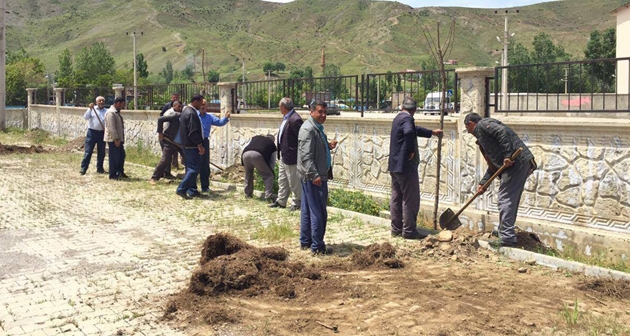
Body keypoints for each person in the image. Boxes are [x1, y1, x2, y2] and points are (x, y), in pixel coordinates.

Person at [464, 113, 536, 247]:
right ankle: (505, 231)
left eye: (467, 128)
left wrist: (508, 155)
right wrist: (483, 183)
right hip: (517, 164)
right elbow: (494, 166)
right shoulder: (483, 139)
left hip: (517, 162)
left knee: (505, 198)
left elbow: (502, 132)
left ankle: (507, 237)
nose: (469, 132)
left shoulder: (483, 125)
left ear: (471, 123)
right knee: (508, 198)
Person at [388, 97, 442, 239]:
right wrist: (410, 150)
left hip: (395, 166)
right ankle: (409, 231)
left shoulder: (398, 118)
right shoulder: (408, 119)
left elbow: (413, 130)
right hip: (405, 166)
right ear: (415, 110)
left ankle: (396, 229)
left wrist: (431, 132)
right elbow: (409, 132)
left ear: (402, 107)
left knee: (396, 197)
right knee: (410, 199)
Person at [298, 100, 337, 255]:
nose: (323, 115)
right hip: (314, 177)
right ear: (312, 112)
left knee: (308, 210)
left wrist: (327, 145)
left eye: (325, 112)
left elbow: (313, 148)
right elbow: (306, 156)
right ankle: (317, 247)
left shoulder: (316, 128)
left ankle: (306, 242)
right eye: (320, 112)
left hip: (314, 175)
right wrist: (314, 175)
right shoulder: (308, 129)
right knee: (318, 212)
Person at [269, 98, 303, 211]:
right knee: (282, 179)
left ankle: (297, 202)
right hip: (284, 155)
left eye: (279, 106)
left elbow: (301, 138)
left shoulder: (295, 119)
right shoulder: (287, 118)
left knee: (294, 181)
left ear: (283, 107)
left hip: (292, 156)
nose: (279, 109)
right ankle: (281, 201)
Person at [198, 98, 230, 196]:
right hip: (194, 141)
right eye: (201, 104)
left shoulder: (209, 117)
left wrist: (226, 118)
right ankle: (191, 186)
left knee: (204, 164)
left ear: (207, 107)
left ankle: (205, 186)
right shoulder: (194, 115)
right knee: (193, 164)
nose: (203, 106)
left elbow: (220, 123)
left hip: (204, 141)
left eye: (205, 104)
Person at [176, 94, 205, 199]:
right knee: (194, 169)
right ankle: (182, 189)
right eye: (201, 103)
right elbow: (193, 132)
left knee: (190, 168)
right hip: (191, 145)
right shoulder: (191, 113)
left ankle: (192, 190)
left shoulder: (186, 111)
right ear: (196, 101)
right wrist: (200, 145)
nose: (202, 105)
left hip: (186, 145)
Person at [150, 101, 184, 184]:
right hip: (169, 140)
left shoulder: (186, 116)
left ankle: (191, 176)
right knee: (165, 159)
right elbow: (160, 119)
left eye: (181, 107)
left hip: (180, 143)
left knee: (188, 157)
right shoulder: (174, 115)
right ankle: (154, 177)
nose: (180, 108)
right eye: (179, 106)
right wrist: (160, 132)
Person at [242, 135, 277, 200]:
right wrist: (270, 171)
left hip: (245, 153)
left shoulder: (256, 138)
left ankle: (247, 194)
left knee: (248, 174)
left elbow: (247, 146)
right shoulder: (272, 144)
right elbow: (272, 162)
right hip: (258, 155)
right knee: (269, 175)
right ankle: (268, 195)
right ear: (273, 140)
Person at [80, 96, 107, 175]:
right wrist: (90, 109)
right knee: (88, 151)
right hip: (92, 133)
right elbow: (85, 117)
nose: (101, 102)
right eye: (99, 101)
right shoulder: (92, 109)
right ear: (96, 102)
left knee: (101, 152)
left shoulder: (107, 111)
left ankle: (100, 168)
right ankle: (83, 168)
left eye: (102, 101)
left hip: (102, 133)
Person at [104, 97, 127, 180]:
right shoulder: (111, 113)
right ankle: (113, 174)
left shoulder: (116, 112)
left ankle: (120, 171)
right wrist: (116, 139)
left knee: (121, 155)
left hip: (119, 139)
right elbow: (111, 127)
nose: (122, 107)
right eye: (122, 105)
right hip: (113, 139)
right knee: (114, 157)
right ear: (118, 103)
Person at [161, 92, 181, 172]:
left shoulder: (178, 110)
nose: (175, 98)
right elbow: (161, 118)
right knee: (166, 156)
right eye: (174, 97)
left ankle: (173, 167)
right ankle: (161, 173)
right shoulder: (170, 110)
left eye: (176, 97)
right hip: (166, 135)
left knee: (173, 153)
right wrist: (160, 132)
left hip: (173, 136)